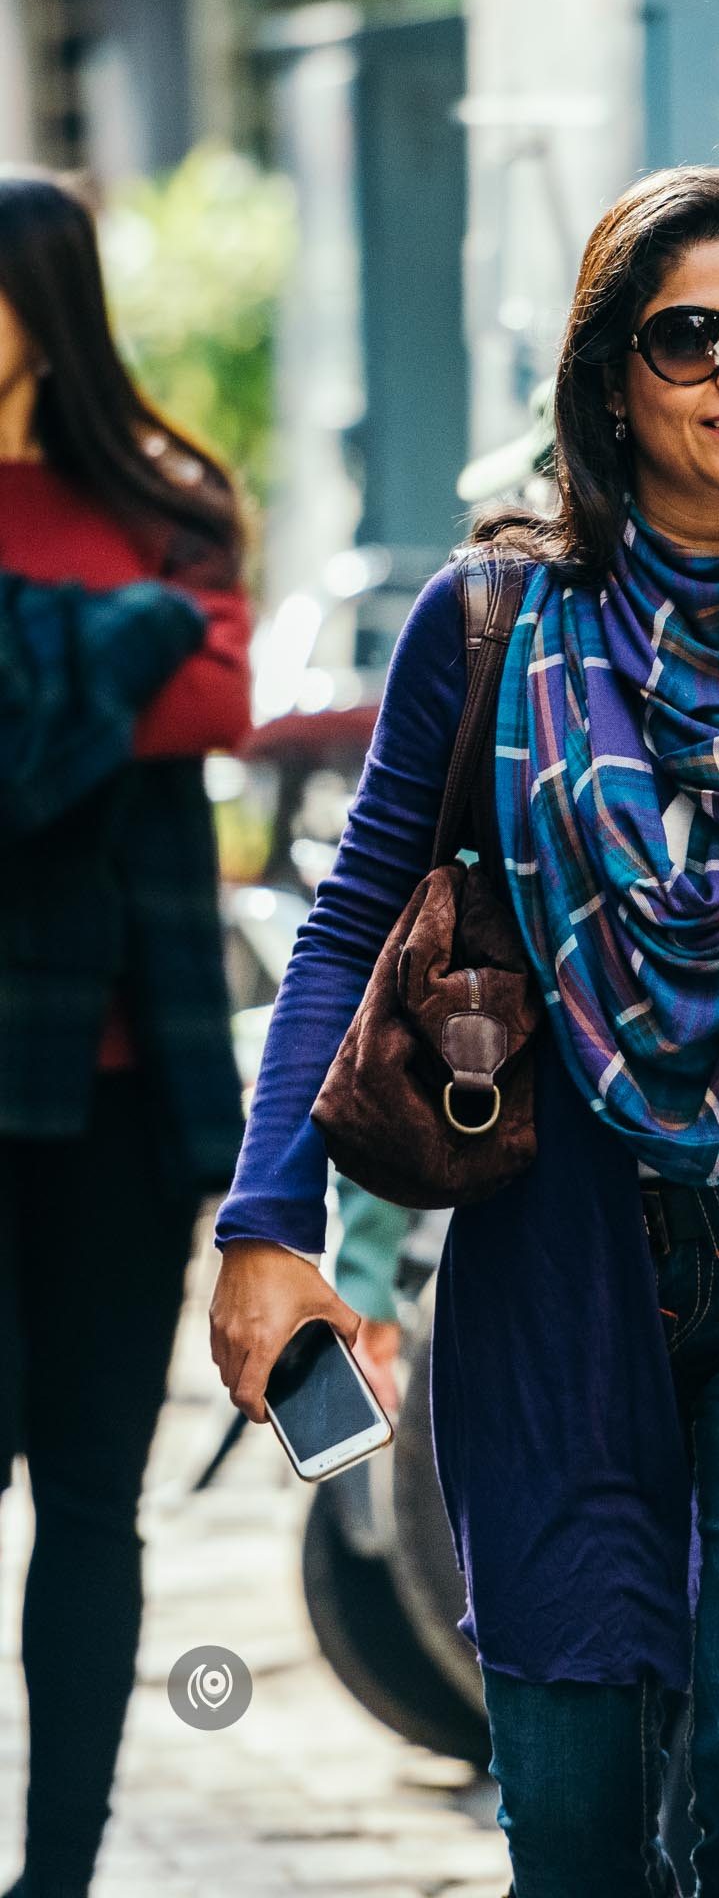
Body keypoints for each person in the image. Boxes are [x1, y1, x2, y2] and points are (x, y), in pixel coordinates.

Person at [206, 166, 719, 1898]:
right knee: (574, 1823)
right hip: (555, 1279)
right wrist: (266, 1222)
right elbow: (351, 929)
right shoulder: (493, 629)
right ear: (613, 381)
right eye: (693, 336)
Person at [0, 168, 251, 1898]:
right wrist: (116, 652)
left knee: (93, 1497)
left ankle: (57, 1878)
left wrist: (59, 656)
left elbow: (217, 697)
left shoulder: (170, 498)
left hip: (122, 1086)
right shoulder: (158, 547)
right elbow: (164, 682)